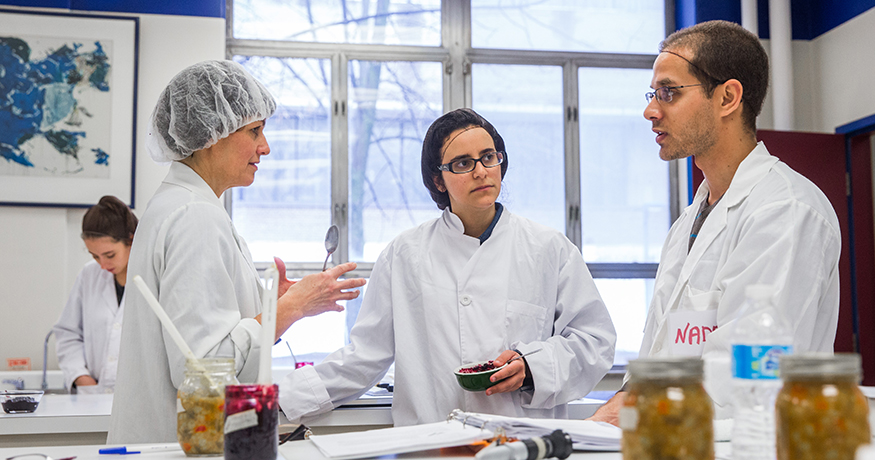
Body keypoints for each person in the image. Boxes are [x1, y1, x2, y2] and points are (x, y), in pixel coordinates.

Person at [279, 108, 617, 426]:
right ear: (438, 180)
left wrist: (532, 366)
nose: (481, 171)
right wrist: (275, 401)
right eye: (462, 163)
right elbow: (365, 357)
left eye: (488, 157)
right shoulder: (405, 255)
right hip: (431, 445)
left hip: (519, 442)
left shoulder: (548, 248)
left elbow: (594, 341)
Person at [589, 20, 842, 425]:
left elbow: (748, 374)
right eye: (652, 94)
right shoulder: (691, 219)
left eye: (669, 93)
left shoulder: (786, 211)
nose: (650, 111)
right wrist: (617, 406)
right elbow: (660, 348)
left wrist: (634, 413)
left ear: (727, 97)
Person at [108, 60, 366, 443]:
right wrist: (290, 307)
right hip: (180, 445)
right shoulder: (194, 216)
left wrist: (269, 306)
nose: (265, 147)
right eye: (254, 131)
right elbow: (202, 368)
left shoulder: (181, 205)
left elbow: (203, 338)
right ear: (212, 133)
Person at [52, 195, 137, 394]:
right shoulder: (89, 275)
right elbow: (68, 333)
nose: (103, 265)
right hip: (91, 397)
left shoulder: (156, 278)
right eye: (94, 256)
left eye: (110, 255)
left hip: (137, 399)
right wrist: (81, 378)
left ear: (131, 240)